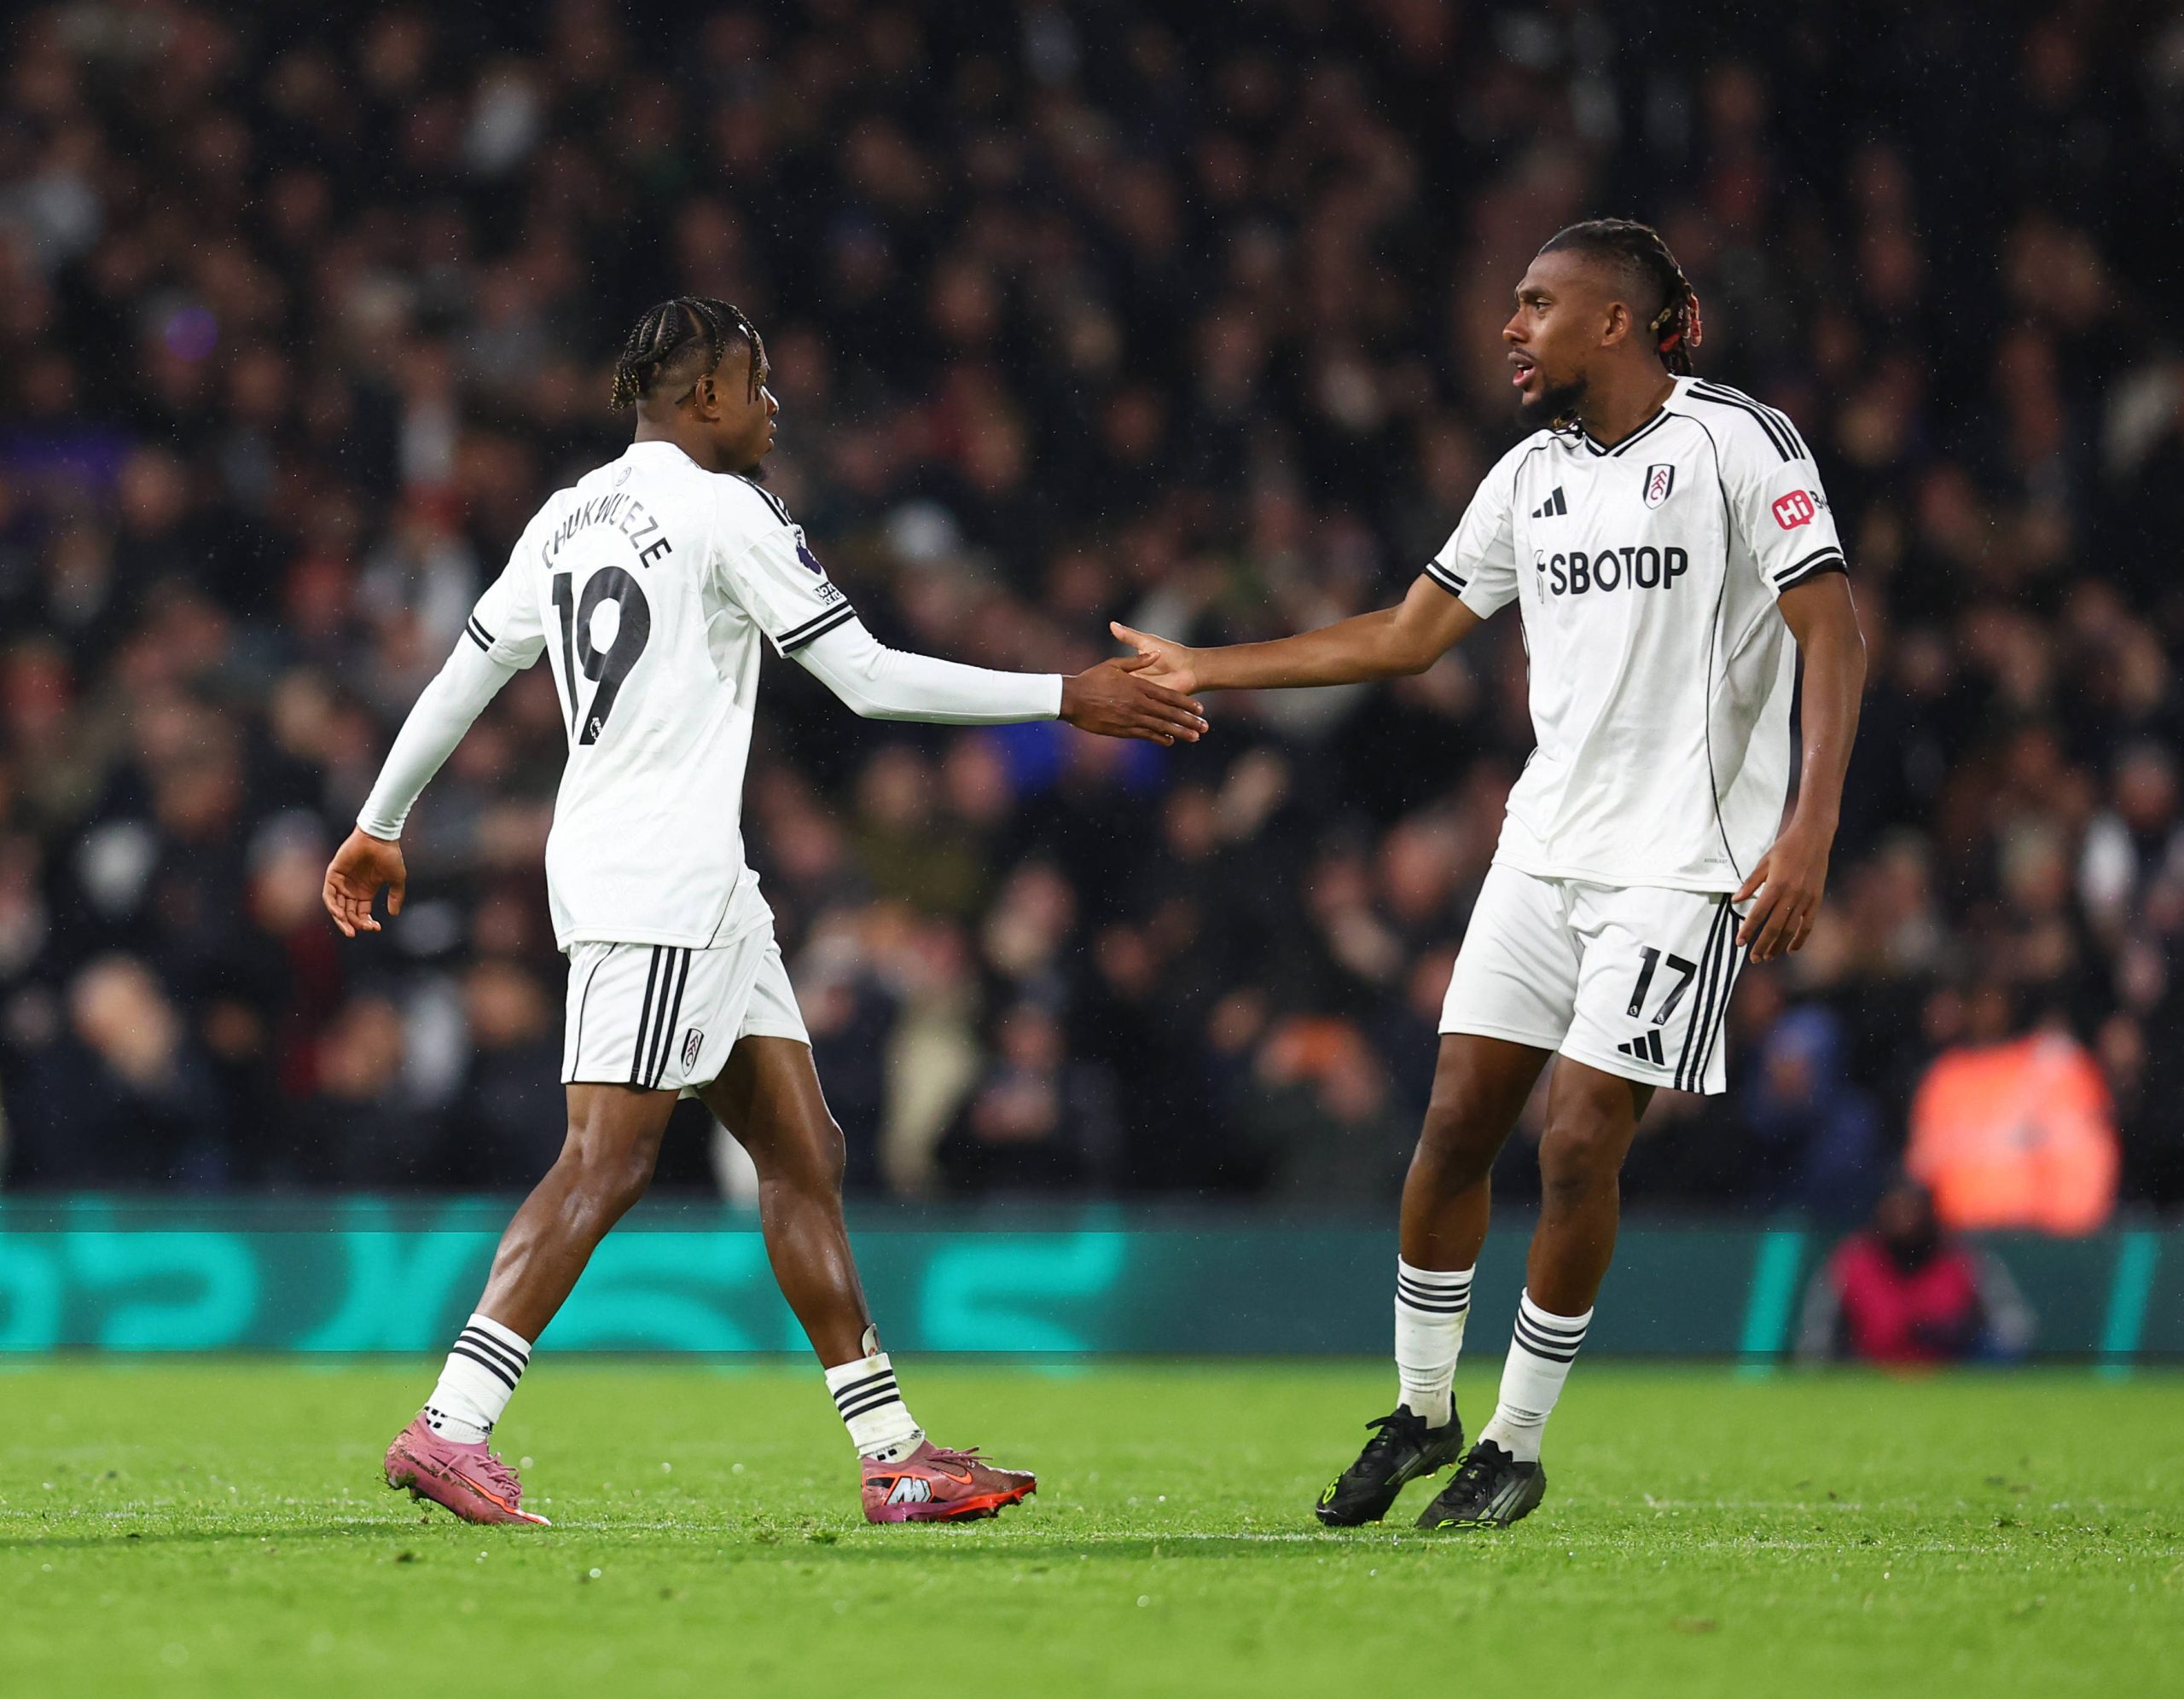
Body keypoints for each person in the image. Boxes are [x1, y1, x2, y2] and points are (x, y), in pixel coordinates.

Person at [321, 297, 1205, 1527]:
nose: (775, 408)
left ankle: (892, 1452)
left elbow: (465, 673)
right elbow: (867, 678)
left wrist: (380, 820)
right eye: (759, 385)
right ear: (702, 402)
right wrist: (1068, 697)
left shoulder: (567, 515)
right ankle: (451, 1426)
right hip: (661, 877)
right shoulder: (725, 509)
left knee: (804, 1151)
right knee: (606, 1159)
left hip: (686, 879)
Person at [1114, 221, 1867, 1529]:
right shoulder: (1528, 476)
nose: (1511, 328)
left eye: (1537, 304)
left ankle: (1514, 1441)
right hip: (1543, 849)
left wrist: (1807, 830)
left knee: (1579, 1139)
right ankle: (1420, 1411)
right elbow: (1410, 635)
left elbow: (1832, 629)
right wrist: (1207, 667)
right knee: (1456, 1122)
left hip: (1684, 867)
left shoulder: (1739, 443)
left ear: (1617, 320)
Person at [1796, 1175, 2033, 1365]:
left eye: (1913, 1210)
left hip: (1953, 1375)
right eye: (1896, 1210)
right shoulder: (1852, 1261)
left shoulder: (1964, 1259)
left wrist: (1960, 1333)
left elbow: (2013, 1324)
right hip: (1871, 1375)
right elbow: (1817, 1334)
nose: (1905, 1220)